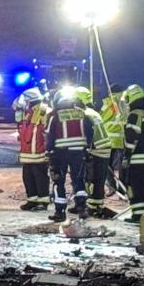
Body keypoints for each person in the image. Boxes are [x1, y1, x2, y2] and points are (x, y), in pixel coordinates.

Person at [46, 88, 94, 222]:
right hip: (78, 151)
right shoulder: (81, 113)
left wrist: (48, 151)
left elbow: (49, 136)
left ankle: (60, 212)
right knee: (78, 179)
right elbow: (90, 131)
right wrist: (87, 148)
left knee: (58, 181)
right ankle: (82, 208)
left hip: (59, 153)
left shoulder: (54, 116)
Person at [74, 87, 113, 218]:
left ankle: (92, 207)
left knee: (91, 179)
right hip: (104, 148)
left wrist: (86, 151)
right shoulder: (92, 112)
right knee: (99, 179)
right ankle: (97, 205)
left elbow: (88, 134)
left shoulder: (85, 114)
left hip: (96, 150)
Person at [122, 84, 144, 223]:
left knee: (134, 186)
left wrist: (126, 156)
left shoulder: (134, 115)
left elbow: (131, 137)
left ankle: (137, 215)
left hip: (137, 158)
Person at [16, 88, 51, 211]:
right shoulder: (30, 112)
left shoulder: (44, 111)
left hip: (39, 152)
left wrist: (48, 149)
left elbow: (48, 132)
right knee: (28, 176)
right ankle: (32, 200)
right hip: (28, 152)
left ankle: (43, 201)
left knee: (40, 177)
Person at [100, 84, 129, 195]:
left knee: (106, 164)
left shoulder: (109, 103)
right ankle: (123, 188)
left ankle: (112, 186)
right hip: (123, 137)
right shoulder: (125, 102)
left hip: (110, 138)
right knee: (123, 165)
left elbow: (102, 117)